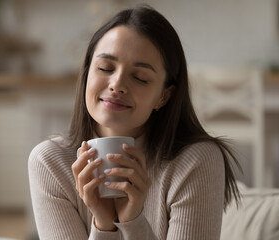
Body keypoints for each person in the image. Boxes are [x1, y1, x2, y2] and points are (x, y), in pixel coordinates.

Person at [28, 5, 241, 240]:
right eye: (105, 68)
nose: (117, 84)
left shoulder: (196, 161)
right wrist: (103, 225)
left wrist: (133, 221)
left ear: (164, 96)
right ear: (87, 73)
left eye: (140, 78)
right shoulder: (49, 163)